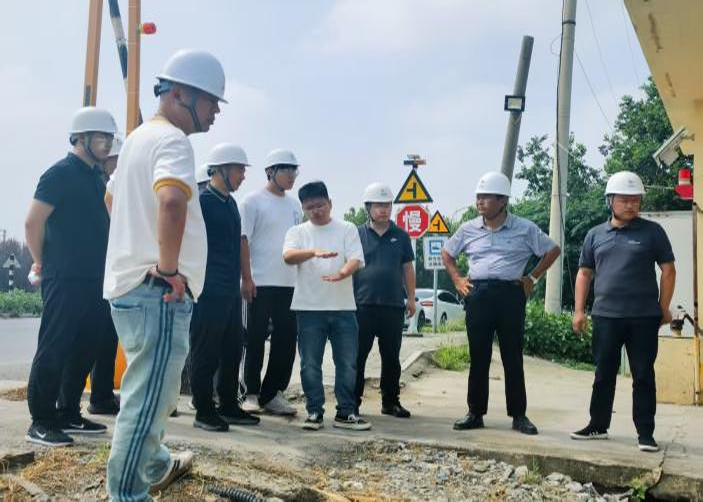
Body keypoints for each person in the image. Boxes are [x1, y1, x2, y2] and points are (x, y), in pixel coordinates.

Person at [103, 49, 226, 500]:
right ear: (179, 94)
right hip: (158, 292)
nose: (215, 112)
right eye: (211, 101)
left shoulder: (137, 139)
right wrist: (168, 268)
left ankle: (155, 465)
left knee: (154, 392)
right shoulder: (173, 141)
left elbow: (111, 198)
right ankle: (126, 494)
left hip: (135, 287)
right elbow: (172, 201)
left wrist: (136, 243)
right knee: (146, 401)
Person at [24, 106, 117, 447]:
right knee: (55, 346)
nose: (107, 143)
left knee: (85, 348)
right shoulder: (59, 174)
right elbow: (32, 222)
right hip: (64, 277)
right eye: (100, 136)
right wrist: (42, 262)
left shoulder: (97, 178)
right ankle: (41, 419)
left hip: (95, 279)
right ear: (80, 138)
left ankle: (67, 411)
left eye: (109, 137)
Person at [442, 171, 561, 435]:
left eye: (486, 197)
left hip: (510, 295)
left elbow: (553, 250)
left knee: (512, 356)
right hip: (478, 294)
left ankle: (519, 415)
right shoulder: (468, 229)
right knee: (479, 356)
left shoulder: (524, 228)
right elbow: (447, 253)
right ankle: (475, 413)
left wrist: (533, 277)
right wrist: (457, 279)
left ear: (503, 200)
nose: (480, 201)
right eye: (478, 196)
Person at [571, 171, 676, 453]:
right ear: (610, 201)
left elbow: (668, 270)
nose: (631, 205)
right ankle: (597, 425)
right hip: (605, 316)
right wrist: (579, 310)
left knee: (643, 375)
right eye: (624, 200)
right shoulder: (595, 235)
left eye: (636, 200)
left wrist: (663, 307)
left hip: (643, 317)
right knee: (603, 373)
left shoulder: (653, 232)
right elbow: (584, 274)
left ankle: (645, 433)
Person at [283, 181, 370, 431]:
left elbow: (356, 259)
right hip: (309, 308)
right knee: (310, 364)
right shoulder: (297, 232)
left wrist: (342, 273)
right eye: (309, 207)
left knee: (347, 362)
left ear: (330, 203)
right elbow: (288, 256)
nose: (316, 211)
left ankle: (346, 412)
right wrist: (313, 252)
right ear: (303, 209)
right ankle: (314, 411)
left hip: (343, 307)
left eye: (320, 205)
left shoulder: (346, 228)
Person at [189, 143, 259, 431]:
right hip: (207, 289)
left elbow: (239, 244)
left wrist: (245, 278)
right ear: (221, 169)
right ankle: (203, 410)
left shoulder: (230, 204)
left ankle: (228, 404)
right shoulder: (202, 202)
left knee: (232, 348)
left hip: (229, 290)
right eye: (239, 170)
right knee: (205, 351)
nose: (243, 176)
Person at [240, 149, 302, 416]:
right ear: (270, 171)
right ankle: (250, 393)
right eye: (286, 169)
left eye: (294, 170)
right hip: (259, 282)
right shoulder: (252, 201)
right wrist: (246, 278)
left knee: (286, 341)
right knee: (254, 338)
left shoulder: (295, 206)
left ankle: (272, 393)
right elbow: (243, 240)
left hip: (288, 284)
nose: (292, 175)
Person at [352, 182, 416, 418]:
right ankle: (352, 402)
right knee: (357, 356)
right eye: (379, 205)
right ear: (368, 207)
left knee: (391, 357)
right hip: (362, 305)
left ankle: (390, 401)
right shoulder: (356, 235)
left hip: (393, 306)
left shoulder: (401, 236)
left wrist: (411, 298)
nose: (384, 210)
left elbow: (407, 268)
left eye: (387, 205)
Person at [88, 135, 123, 416]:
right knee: (97, 337)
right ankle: (98, 397)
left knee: (109, 337)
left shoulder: (110, 185)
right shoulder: (100, 186)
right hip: (95, 272)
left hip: (109, 271)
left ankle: (102, 395)